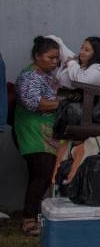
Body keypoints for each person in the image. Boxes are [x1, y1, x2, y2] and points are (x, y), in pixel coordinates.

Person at [13, 37, 62, 236]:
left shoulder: (47, 76)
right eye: (50, 58)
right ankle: (28, 220)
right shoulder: (29, 76)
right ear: (37, 56)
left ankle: (41, 215)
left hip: (47, 130)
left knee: (44, 174)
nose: (55, 62)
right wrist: (63, 103)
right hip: (32, 131)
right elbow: (34, 103)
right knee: (40, 175)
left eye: (57, 58)